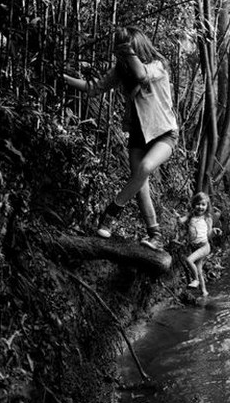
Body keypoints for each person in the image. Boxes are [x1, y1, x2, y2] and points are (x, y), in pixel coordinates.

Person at [63, 26, 178, 251]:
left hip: (164, 132)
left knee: (145, 168)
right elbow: (93, 88)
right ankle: (155, 235)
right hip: (138, 134)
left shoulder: (158, 65)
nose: (123, 54)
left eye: (127, 49)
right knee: (140, 183)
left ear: (137, 47)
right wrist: (64, 78)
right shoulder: (122, 71)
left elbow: (143, 75)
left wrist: (129, 52)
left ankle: (112, 211)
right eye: (121, 50)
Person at [178, 192, 222, 297]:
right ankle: (204, 291)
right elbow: (181, 221)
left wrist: (214, 231)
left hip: (204, 246)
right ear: (193, 204)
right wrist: (177, 217)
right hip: (195, 247)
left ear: (207, 206)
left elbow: (208, 234)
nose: (200, 207)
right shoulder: (191, 215)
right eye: (198, 204)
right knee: (198, 269)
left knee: (189, 260)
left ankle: (196, 280)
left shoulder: (208, 218)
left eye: (203, 204)